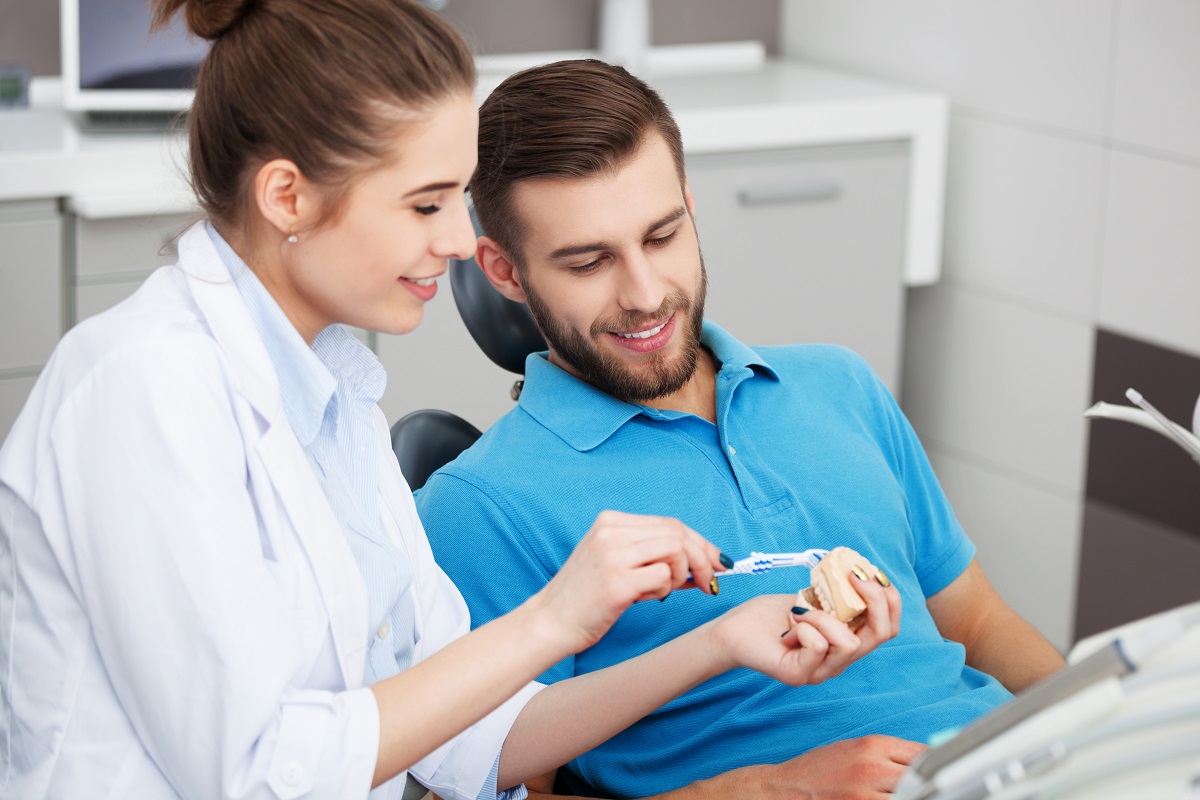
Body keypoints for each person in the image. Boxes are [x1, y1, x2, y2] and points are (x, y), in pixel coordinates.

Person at [0, 6, 900, 800]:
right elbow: (260, 776)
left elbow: (470, 738)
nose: (464, 243)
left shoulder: (331, 393)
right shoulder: (142, 388)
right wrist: (554, 617)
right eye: (427, 204)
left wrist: (719, 641)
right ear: (288, 197)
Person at [416, 59, 1068, 799]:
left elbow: (977, 620)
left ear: (691, 208)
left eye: (662, 236)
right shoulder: (481, 504)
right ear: (504, 271)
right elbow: (498, 783)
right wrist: (764, 790)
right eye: (589, 260)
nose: (646, 293)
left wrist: (1093, 725)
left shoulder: (839, 384)